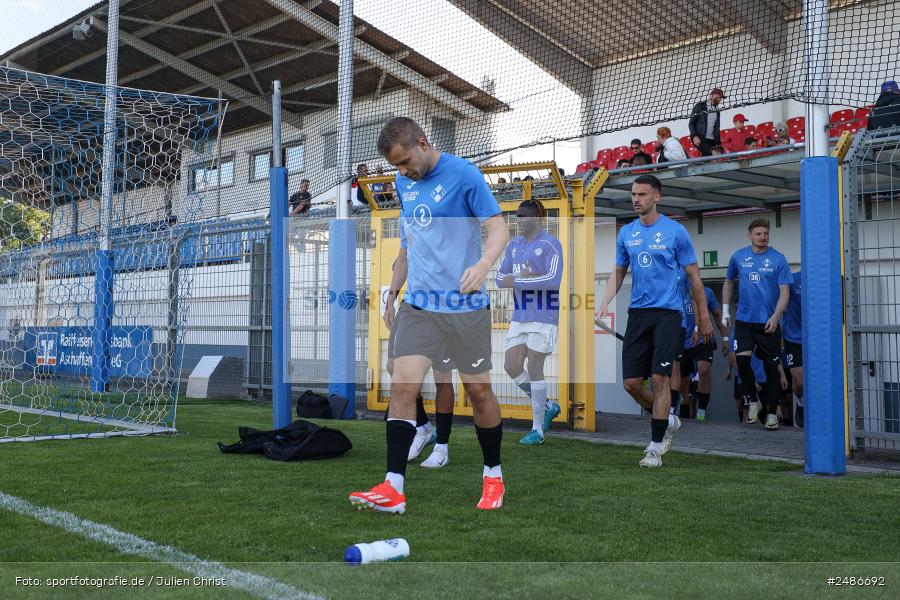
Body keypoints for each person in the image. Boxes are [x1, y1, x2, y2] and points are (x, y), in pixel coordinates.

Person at [349, 117, 509, 513]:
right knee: (402, 384)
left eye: (405, 162)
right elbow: (409, 246)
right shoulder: (404, 183)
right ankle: (393, 487)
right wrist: (392, 294)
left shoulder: (464, 175)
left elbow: (498, 228)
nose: (402, 172)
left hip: (464, 306)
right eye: (396, 166)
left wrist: (484, 264)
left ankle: (493, 476)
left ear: (422, 143)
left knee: (479, 392)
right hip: (419, 305)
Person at [597, 174, 713, 468]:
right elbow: (619, 272)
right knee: (631, 384)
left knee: (660, 378)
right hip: (638, 314)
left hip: (668, 314)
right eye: (633, 194)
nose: (636, 199)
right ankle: (668, 419)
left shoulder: (676, 232)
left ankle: (654, 447)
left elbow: (694, 277)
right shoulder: (626, 233)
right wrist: (604, 301)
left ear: (656, 197)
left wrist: (703, 317)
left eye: (642, 194)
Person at [496, 199, 563, 445]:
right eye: (517, 215)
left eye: (524, 216)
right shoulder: (513, 245)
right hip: (520, 316)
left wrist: (518, 280)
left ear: (538, 218)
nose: (519, 220)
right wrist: (525, 276)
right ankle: (547, 406)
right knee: (511, 365)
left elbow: (552, 280)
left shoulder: (551, 244)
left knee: (535, 368)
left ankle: (537, 431)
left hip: (544, 316)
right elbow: (500, 279)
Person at [383, 256, 456, 468]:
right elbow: (399, 263)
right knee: (394, 367)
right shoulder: (411, 233)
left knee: (442, 375)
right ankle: (423, 427)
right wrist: (390, 301)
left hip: (445, 307)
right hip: (411, 307)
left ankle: (442, 447)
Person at [722, 218, 793, 430]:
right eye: (758, 234)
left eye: (765, 234)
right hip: (745, 321)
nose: (762, 237)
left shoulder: (778, 259)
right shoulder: (738, 257)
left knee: (771, 368)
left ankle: (771, 414)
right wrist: (725, 310)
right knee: (742, 361)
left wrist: (776, 317)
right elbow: (728, 281)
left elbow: (785, 292)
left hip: (769, 323)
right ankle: (754, 400)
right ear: (750, 235)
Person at [676, 277, 726, 421]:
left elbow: (717, 315)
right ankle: (684, 412)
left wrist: (725, 338)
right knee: (683, 383)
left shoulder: (707, 292)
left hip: (704, 339)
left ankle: (701, 412)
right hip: (684, 342)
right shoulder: (676, 292)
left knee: (703, 369)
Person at [781, 270, 803, 427]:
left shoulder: (823, 279)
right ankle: (801, 404)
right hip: (793, 338)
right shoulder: (792, 280)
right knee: (799, 381)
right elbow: (779, 305)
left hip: (816, 339)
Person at [689, 88, 725, 156]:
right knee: (710, 153)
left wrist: (718, 143)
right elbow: (691, 123)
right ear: (712, 95)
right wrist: (694, 136)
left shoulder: (717, 111)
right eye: (718, 97)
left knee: (709, 157)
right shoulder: (700, 106)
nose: (720, 99)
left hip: (712, 140)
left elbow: (717, 128)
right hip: (700, 138)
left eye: (721, 98)